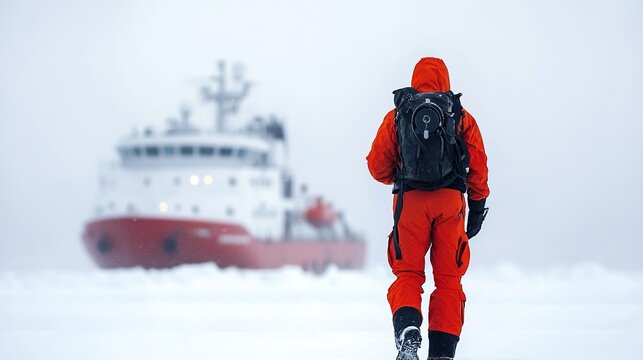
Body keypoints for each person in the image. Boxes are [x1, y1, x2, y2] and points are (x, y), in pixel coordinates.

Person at [366, 57, 489, 360]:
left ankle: (408, 332)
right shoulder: (460, 115)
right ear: (446, 80)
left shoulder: (398, 115)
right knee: (449, 281)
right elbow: (479, 165)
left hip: (410, 202)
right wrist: (477, 205)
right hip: (450, 204)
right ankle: (443, 353)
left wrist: (401, 171)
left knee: (408, 274)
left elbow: (377, 167)